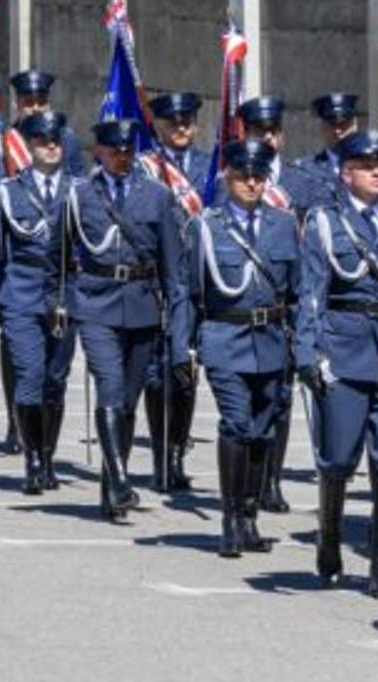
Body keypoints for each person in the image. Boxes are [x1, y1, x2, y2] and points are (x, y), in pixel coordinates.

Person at [295, 130, 378, 600]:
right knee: (337, 458)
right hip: (345, 352)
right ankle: (329, 539)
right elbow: (311, 294)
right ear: (346, 172)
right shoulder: (325, 224)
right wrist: (307, 353)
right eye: (367, 165)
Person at [167, 140, 299, 558]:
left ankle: (249, 515)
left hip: (272, 342)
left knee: (264, 431)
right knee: (237, 425)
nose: (252, 183)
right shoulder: (206, 227)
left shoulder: (282, 224)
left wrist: (306, 345)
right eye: (243, 176)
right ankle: (229, 520)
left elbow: (297, 291)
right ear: (227, 177)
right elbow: (186, 291)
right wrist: (180, 347)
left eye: (259, 176)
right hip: (225, 338)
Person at [74, 119, 184, 520]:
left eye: (128, 150)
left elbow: (172, 264)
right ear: (99, 151)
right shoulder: (81, 195)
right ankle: (122, 481)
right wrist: (64, 304)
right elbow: (61, 255)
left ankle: (109, 488)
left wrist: (177, 315)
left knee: (128, 402)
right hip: (96, 304)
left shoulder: (156, 196)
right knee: (109, 388)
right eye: (114, 150)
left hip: (141, 305)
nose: (122, 156)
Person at [0, 112, 88, 495]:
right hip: (22, 293)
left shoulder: (79, 190)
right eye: (42, 140)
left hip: (64, 293)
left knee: (56, 381)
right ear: (29, 146)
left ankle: (49, 456)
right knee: (30, 378)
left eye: (56, 138)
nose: (51, 145)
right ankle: (32, 460)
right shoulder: (7, 192)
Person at [239, 96, 308, 514]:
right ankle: (249, 478)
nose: (266, 138)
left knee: (281, 398)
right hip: (246, 300)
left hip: (285, 301)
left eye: (271, 131)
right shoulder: (233, 174)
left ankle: (272, 481)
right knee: (250, 400)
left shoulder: (301, 181)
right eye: (257, 132)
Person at [143, 92, 209, 493]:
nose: (180, 128)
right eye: (172, 122)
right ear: (159, 126)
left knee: (185, 373)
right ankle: (158, 455)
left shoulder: (211, 167)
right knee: (156, 373)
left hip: (198, 279)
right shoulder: (147, 168)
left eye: (187, 121)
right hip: (159, 280)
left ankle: (177, 455)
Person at [292, 93, 361, 211]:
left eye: (344, 124)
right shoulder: (305, 169)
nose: (338, 131)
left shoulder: (373, 168)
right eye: (332, 125)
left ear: (355, 125)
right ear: (322, 127)